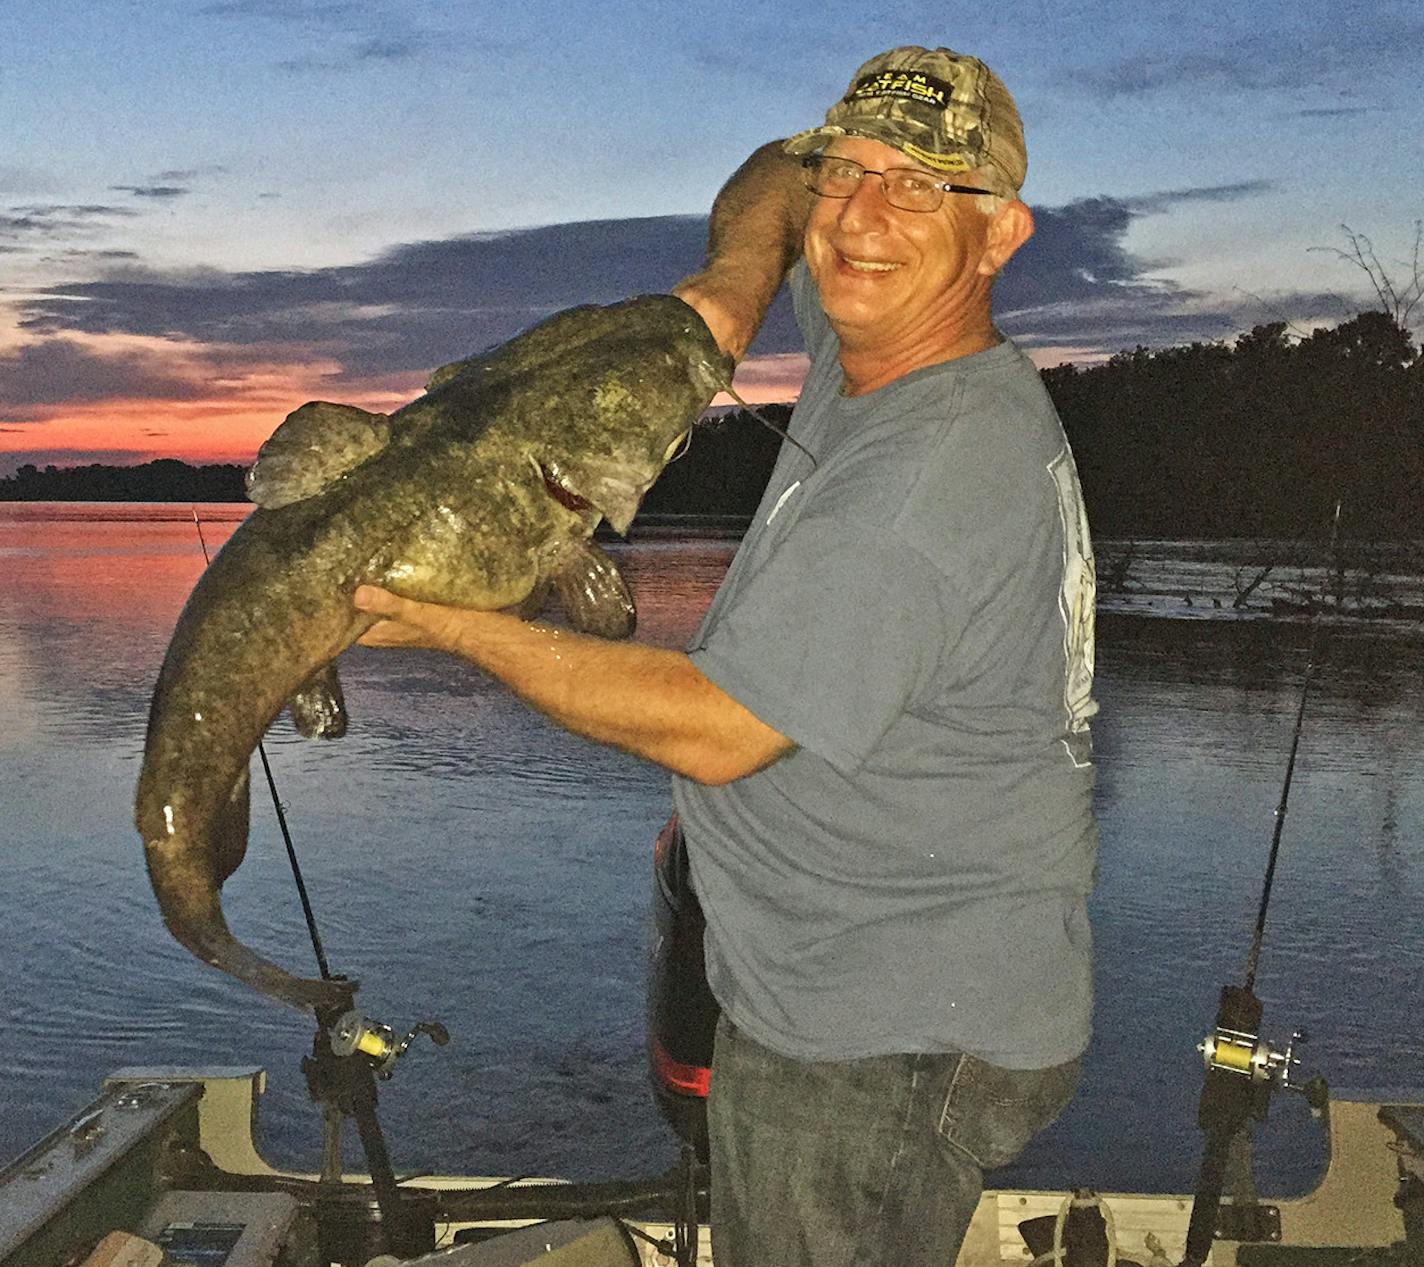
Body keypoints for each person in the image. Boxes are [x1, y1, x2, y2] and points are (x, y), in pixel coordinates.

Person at [354, 43, 1098, 1266]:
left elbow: (715, 722)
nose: (858, 218)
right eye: (848, 172)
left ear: (998, 235)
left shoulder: (933, 469)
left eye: (917, 189)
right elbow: (770, 175)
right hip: (844, 986)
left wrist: (445, 620)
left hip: (882, 1033)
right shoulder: (882, 347)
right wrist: (725, 295)